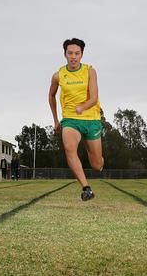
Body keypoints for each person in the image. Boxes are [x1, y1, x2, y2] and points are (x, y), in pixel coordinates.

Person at [48, 38, 104, 201]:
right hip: (71, 120)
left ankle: (96, 155)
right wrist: (56, 120)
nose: (73, 56)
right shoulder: (58, 75)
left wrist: (83, 107)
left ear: (82, 55)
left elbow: (94, 98)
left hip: (91, 119)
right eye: (70, 53)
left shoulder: (90, 71)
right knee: (69, 148)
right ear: (65, 54)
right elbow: (51, 95)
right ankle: (86, 188)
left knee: (96, 165)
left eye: (77, 53)